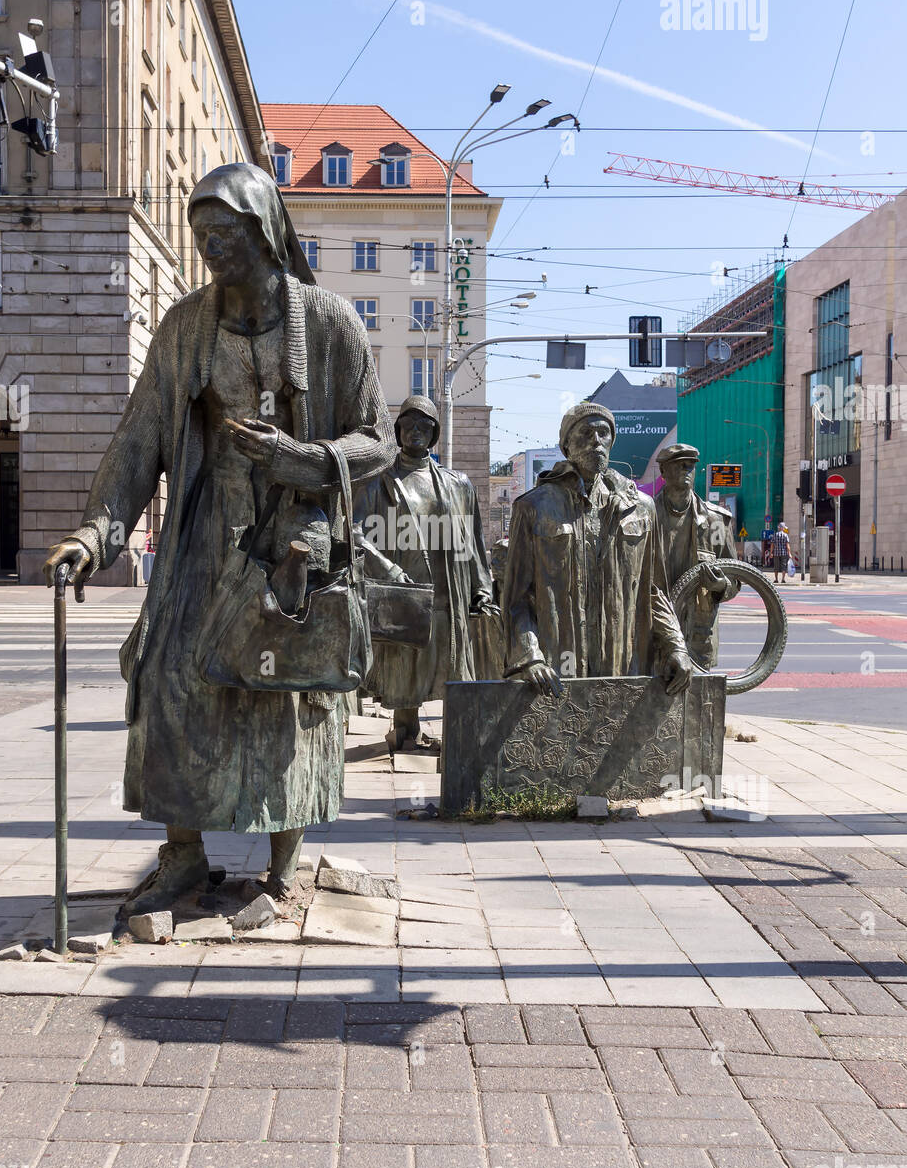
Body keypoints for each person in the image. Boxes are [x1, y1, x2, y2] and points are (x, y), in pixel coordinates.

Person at [43, 163, 395, 911]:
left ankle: (285, 858)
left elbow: (378, 440)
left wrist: (305, 460)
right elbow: (139, 441)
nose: (211, 251)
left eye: (226, 235)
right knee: (173, 684)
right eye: (202, 237)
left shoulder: (328, 320)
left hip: (291, 541)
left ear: (265, 231)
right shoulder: (185, 326)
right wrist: (96, 533)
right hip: (202, 540)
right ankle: (181, 855)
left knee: (285, 698)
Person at [503, 401, 693, 696]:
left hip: (621, 657)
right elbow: (516, 598)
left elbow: (653, 590)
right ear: (566, 446)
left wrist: (674, 645)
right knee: (559, 738)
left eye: (604, 434)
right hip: (559, 659)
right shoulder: (534, 506)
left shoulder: (640, 508)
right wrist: (530, 657)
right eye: (585, 433)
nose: (596, 441)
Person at [353, 395, 496, 749]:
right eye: (409, 424)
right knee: (405, 662)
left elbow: (473, 540)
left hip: (450, 590)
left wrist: (482, 586)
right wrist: (387, 567)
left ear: (434, 433)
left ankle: (458, 739)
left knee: (451, 663)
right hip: (403, 591)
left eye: (424, 425)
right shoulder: (378, 481)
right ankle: (405, 730)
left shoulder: (458, 483)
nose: (416, 431)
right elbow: (353, 532)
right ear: (398, 430)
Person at [654, 442, 739, 670]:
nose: (686, 470)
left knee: (699, 702)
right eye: (679, 465)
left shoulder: (715, 522)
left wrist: (721, 585)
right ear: (663, 471)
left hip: (699, 633)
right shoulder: (645, 518)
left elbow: (735, 578)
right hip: (655, 633)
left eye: (690, 466)